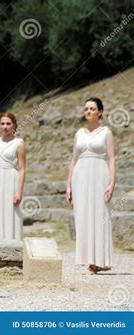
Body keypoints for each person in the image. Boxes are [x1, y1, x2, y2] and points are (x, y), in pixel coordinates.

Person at [66, 97, 115, 275]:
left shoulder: (106, 132)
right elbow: (73, 160)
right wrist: (69, 185)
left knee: (99, 215)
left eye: (92, 109)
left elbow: (111, 159)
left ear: (100, 112)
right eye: (86, 108)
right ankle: (88, 259)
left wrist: (112, 182)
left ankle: (97, 261)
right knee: (83, 215)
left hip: (99, 175)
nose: (88, 111)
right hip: (80, 177)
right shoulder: (79, 133)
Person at [0, 113, 26, 240]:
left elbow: (22, 169)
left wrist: (19, 191)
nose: (5, 126)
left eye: (8, 123)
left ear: (14, 125)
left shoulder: (19, 143)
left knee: (11, 212)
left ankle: (13, 244)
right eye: (2, 123)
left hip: (11, 179)